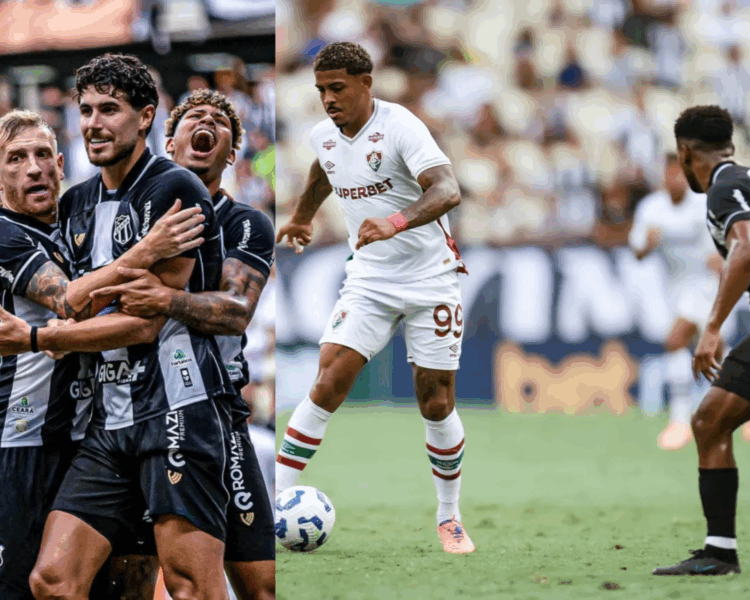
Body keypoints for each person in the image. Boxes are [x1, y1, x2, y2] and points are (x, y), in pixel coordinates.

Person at [5, 54, 235, 600]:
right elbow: (75, 302)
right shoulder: (76, 203)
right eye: (86, 110)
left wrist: (43, 338)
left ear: (146, 116)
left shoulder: (174, 188)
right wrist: (132, 260)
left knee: (189, 585)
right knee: (53, 580)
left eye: (109, 109)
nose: (93, 123)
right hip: (107, 422)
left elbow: (143, 323)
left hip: (176, 407)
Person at [275, 42, 474, 554]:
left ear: (366, 84)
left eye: (337, 88)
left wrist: (395, 221)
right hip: (370, 279)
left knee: (436, 401)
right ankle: (276, 501)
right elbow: (325, 168)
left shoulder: (401, 126)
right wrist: (301, 216)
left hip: (431, 278)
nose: (328, 98)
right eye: (321, 89)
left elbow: (447, 189)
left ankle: (449, 517)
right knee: (328, 380)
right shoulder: (324, 134)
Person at [91, 88, 277, 600]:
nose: (207, 123)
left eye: (220, 121)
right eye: (194, 117)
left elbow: (236, 313)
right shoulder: (129, 217)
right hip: (131, 410)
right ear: (168, 143)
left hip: (216, 412)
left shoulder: (246, 223)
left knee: (261, 585)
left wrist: (165, 299)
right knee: (132, 578)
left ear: (232, 153)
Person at [654, 105, 750, 575]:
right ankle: (719, 553)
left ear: (684, 154)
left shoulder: (723, 187)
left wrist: (712, 326)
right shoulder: (745, 179)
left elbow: (747, 247)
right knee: (710, 420)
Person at [629, 153, 750, 449]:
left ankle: (680, 422)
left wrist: (724, 262)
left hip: (707, 285)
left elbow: (726, 246)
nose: (673, 179)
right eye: (669, 173)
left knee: (675, 340)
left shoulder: (703, 205)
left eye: (679, 173)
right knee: (713, 351)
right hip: (674, 289)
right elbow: (637, 251)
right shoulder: (652, 208)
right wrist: (648, 244)